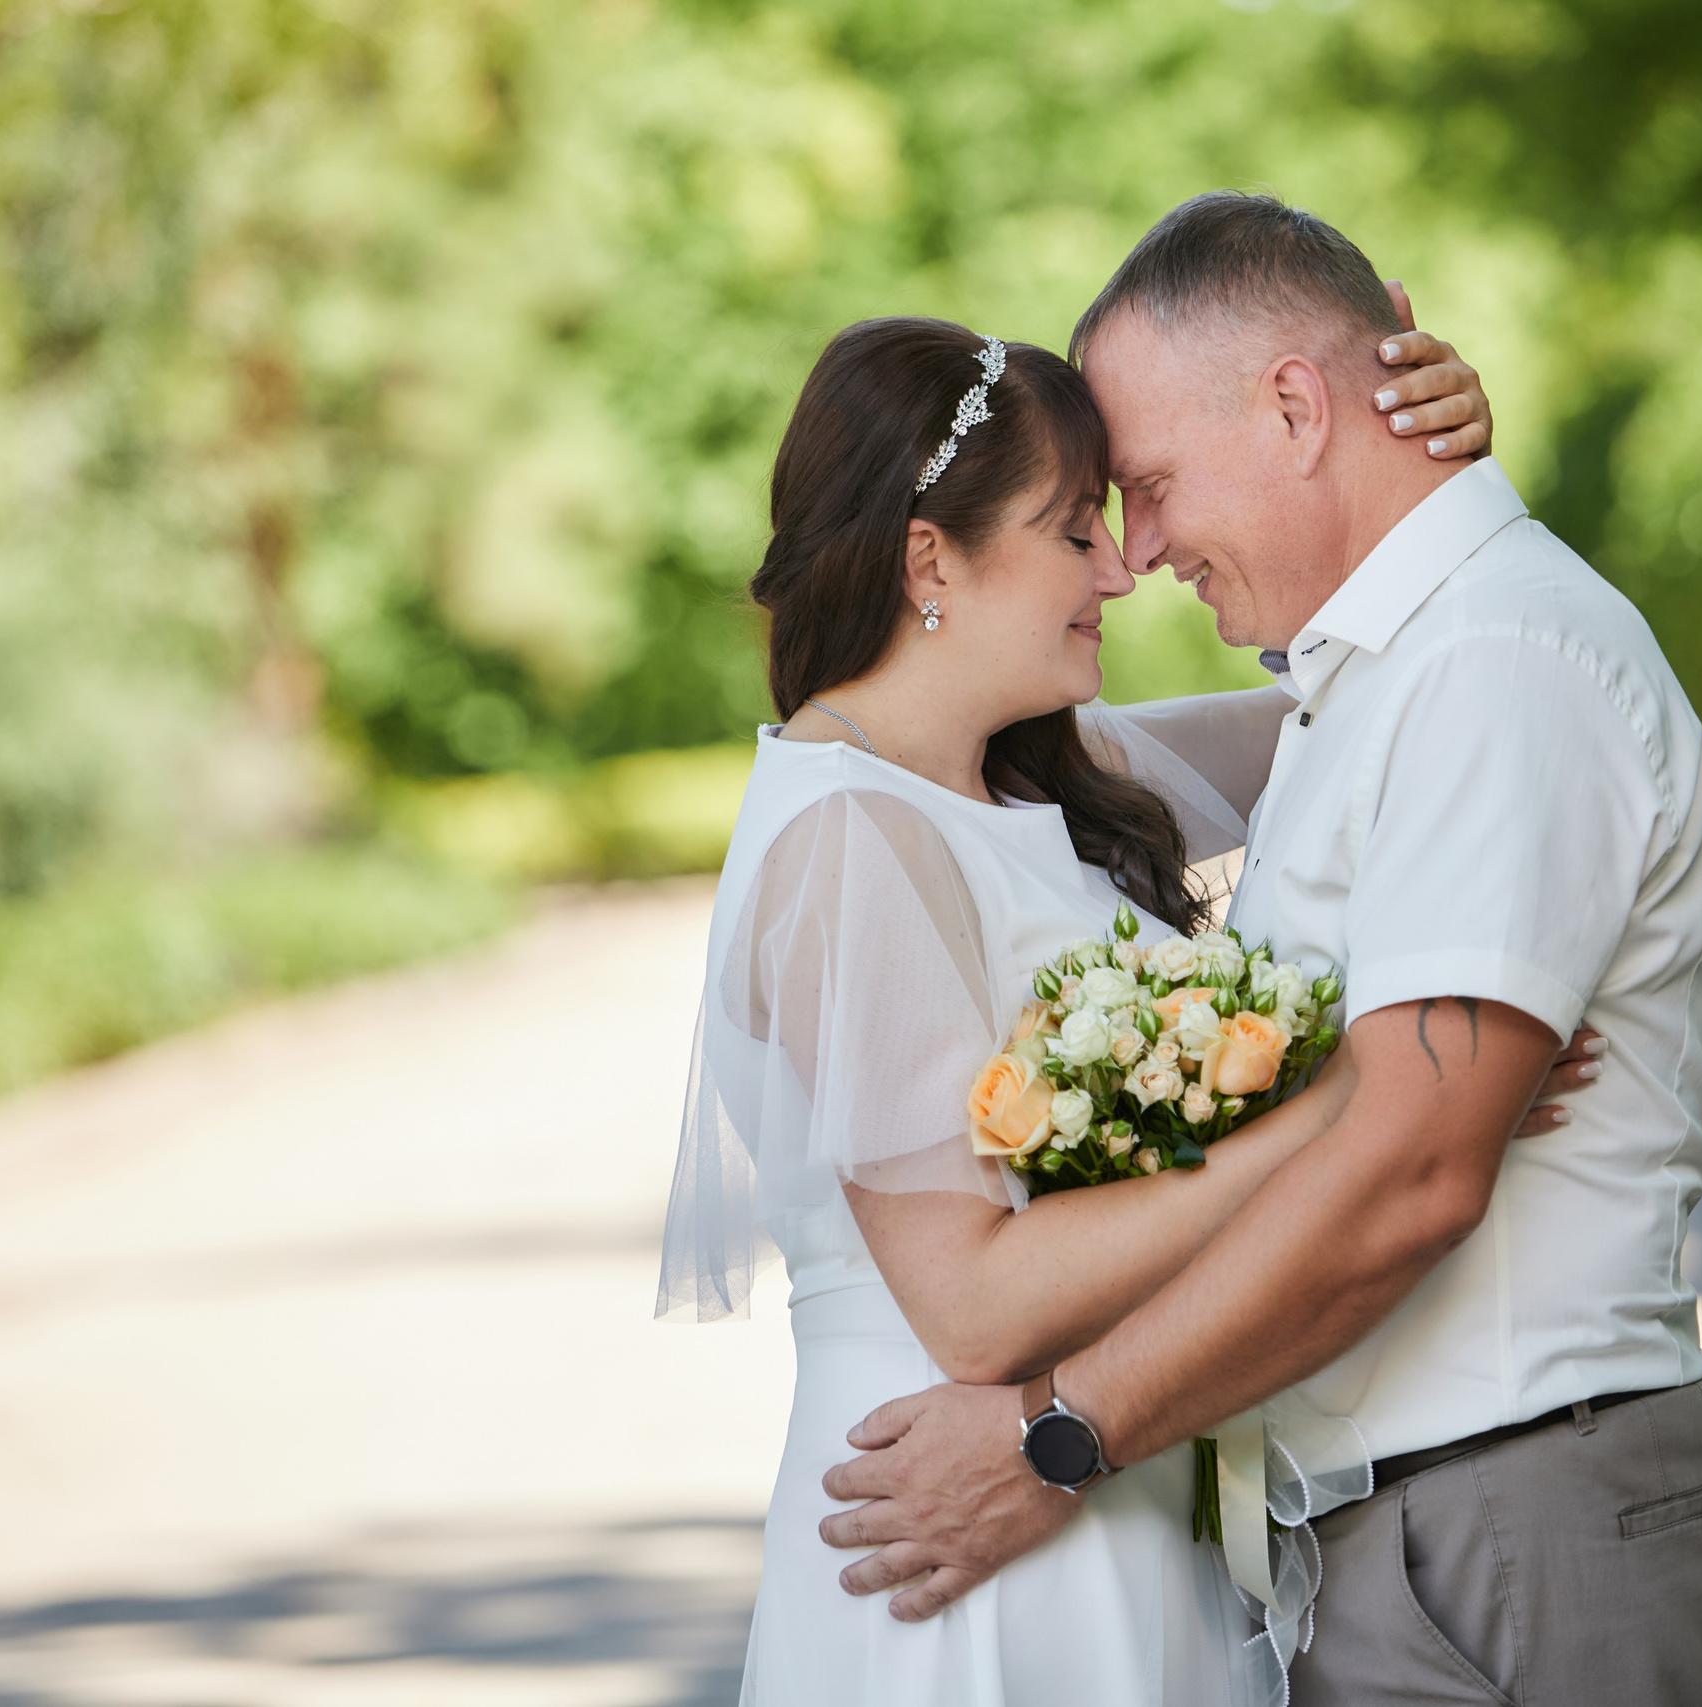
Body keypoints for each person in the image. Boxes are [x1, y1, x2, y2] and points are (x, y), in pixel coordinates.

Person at [820, 193, 1702, 1705]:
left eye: (1145, 488)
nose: (1138, 554)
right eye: (1093, 519)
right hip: (1417, 1542)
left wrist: (1058, 1436)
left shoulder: (1496, 662)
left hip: (1517, 1526)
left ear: (1292, 407)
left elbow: (1411, 1172)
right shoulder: (1371, 685)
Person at [658, 306, 1593, 1704]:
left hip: (1098, 1489)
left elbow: (1362, 708)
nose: (1121, 568)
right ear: (933, 561)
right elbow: (970, 1306)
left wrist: (1407, 478)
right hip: (957, 1544)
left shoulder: (1022, 778)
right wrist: (1364, 1109)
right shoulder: (843, 841)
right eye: (1071, 529)